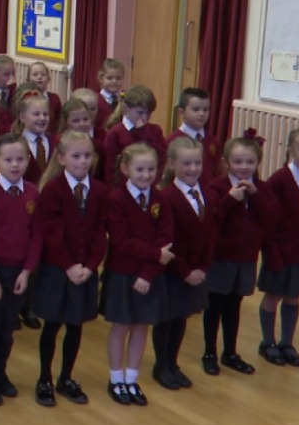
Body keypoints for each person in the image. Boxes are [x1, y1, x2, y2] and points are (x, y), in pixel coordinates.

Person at [31, 132, 106, 406]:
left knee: (76, 325)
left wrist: (90, 266)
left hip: (85, 271)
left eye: (87, 156)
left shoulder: (99, 190)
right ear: (62, 158)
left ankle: (66, 377)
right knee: (52, 325)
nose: (82, 161)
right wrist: (69, 265)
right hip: (58, 270)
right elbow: (52, 233)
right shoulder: (54, 189)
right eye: (76, 156)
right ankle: (44, 378)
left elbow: (100, 232)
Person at [102, 143, 175, 406]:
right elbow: (121, 241)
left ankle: (132, 379)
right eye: (140, 169)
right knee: (121, 326)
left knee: (141, 326)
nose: (146, 175)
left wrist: (148, 273)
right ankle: (116, 378)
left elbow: (165, 239)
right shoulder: (116, 199)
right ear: (125, 169)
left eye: (151, 169)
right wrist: (155, 255)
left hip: (149, 275)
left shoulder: (161, 199)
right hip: (122, 273)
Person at [0, 134, 42, 406]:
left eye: (20, 159)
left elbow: (36, 236)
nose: (15, 164)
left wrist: (26, 272)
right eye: (9, 159)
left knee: (7, 330)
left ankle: (0, 374)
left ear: (28, 160)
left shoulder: (33, 193)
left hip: (18, 273)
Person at [202, 137, 273, 376]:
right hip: (222, 258)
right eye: (238, 161)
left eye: (250, 162)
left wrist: (256, 195)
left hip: (246, 258)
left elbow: (271, 217)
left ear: (258, 162)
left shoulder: (262, 188)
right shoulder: (217, 187)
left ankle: (230, 352)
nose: (244, 166)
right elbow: (212, 219)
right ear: (226, 162)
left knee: (234, 305)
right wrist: (230, 200)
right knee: (215, 305)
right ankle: (209, 352)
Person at [153, 137, 214, 391]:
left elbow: (211, 233)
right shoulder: (166, 197)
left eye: (197, 163)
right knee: (166, 318)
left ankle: (173, 363)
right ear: (171, 164)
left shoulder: (207, 194)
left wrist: (202, 267)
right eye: (186, 163)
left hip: (196, 269)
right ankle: (161, 365)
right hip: (173, 270)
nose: (193, 168)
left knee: (181, 318)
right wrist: (185, 271)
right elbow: (166, 240)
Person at [257, 127, 299, 367]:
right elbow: (267, 220)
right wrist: (271, 252)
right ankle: (267, 342)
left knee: (293, 297)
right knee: (273, 295)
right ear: (290, 150)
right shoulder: (278, 180)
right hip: (280, 252)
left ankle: (287, 343)